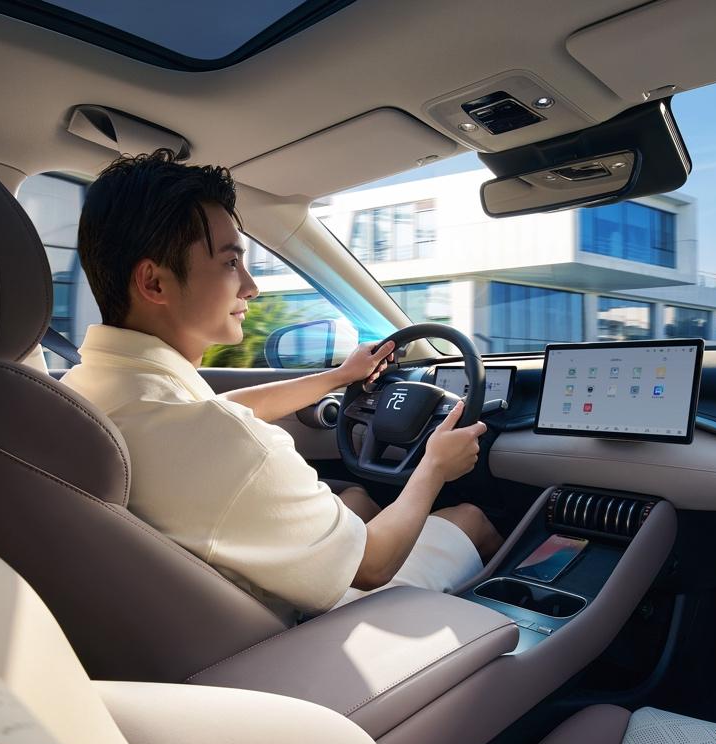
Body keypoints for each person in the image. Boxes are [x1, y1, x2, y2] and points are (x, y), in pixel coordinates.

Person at [62, 149, 502, 620]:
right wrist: (434, 465)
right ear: (154, 283)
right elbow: (373, 564)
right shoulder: (222, 441)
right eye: (231, 263)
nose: (251, 286)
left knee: (356, 498)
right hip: (304, 634)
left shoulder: (88, 389)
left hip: (194, 621)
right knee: (470, 519)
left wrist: (338, 378)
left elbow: (218, 408)